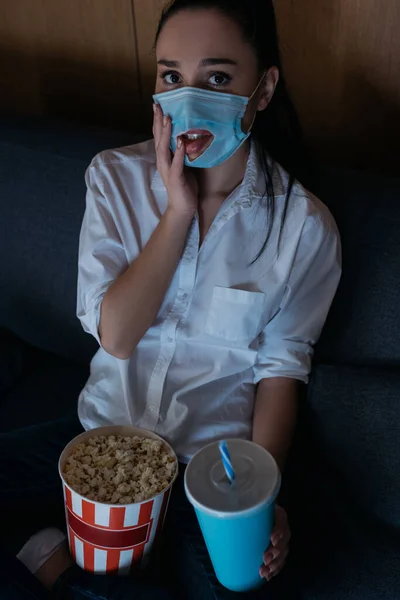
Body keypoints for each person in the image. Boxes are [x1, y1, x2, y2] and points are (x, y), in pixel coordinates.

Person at [0, 0, 341, 598]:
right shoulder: (114, 179)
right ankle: (61, 561)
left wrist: (261, 496)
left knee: (239, 585)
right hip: (99, 445)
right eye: (170, 76)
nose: (188, 99)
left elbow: (282, 371)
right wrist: (178, 212)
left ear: (263, 89)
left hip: (208, 471)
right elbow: (118, 335)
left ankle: (53, 565)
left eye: (216, 78)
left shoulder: (304, 228)